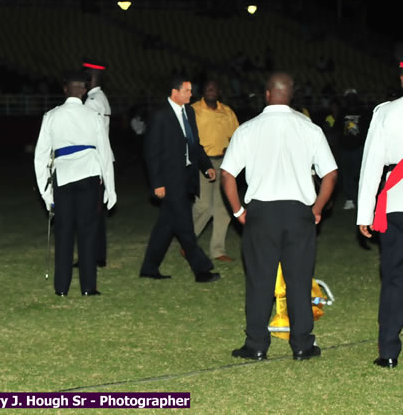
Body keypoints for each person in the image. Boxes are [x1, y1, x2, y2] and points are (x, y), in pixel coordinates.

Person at [221, 73, 337, 361]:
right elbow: (331, 173)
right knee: (299, 279)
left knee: (260, 280)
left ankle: (257, 344)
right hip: (299, 212)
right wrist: (318, 208)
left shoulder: (248, 129)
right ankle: (302, 345)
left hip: (262, 212)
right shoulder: (309, 128)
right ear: (291, 95)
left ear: (267, 94)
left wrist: (238, 211)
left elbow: (227, 174)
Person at [34, 71, 116, 297]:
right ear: (83, 90)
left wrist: (45, 192)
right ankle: (88, 288)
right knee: (88, 234)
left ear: (65, 89)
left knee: (64, 234)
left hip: (63, 178)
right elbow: (105, 154)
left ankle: (61, 288)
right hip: (89, 177)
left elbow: (40, 157)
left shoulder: (51, 116)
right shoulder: (93, 116)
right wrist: (111, 187)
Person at [139, 74, 221, 283]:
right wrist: (157, 183)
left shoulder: (189, 112)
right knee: (185, 226)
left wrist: (205, 166)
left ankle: (149, 268)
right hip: (170, 179)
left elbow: (194, 144)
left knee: (166, 226)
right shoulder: (160, 116)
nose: (191, 94)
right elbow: (152, 152)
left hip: (187, 177)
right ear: (175, 92)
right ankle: (201, 270)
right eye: (187, 90)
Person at [356, 62, 403, 369]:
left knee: (394, 279)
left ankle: (388, 351)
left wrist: (364, 211)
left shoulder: (386, 112)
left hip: (397, 201)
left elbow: (372, 163)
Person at [191, 80, 240, 261]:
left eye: (214, 87)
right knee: (203, 205)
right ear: (202, 90)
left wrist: (232, 149)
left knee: (223, 208)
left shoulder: (227, 112)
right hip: (203, 162)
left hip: (224, 163)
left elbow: (237, 136)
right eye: (208, 87)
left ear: (219, 91)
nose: (211, 90)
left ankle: (218, 251)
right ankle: (188, 243)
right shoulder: (193, 110)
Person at [83, 61, 112, 267]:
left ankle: (92, 255)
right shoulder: (101, 98)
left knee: (89, 211)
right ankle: (98, 255)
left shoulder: (92, 101)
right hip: (102, 159)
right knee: (96, 211)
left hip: (94, 160)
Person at [338, 89, 370, 210]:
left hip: (358, 147)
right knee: (347, 174)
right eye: (349, 97)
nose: (351, 99)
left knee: (358, 174)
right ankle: (350, 199)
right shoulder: (342, 112)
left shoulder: (363, 112)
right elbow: (337, 128)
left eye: (353, 97)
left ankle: (360, 197)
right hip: (345, 148)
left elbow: (367, 129)